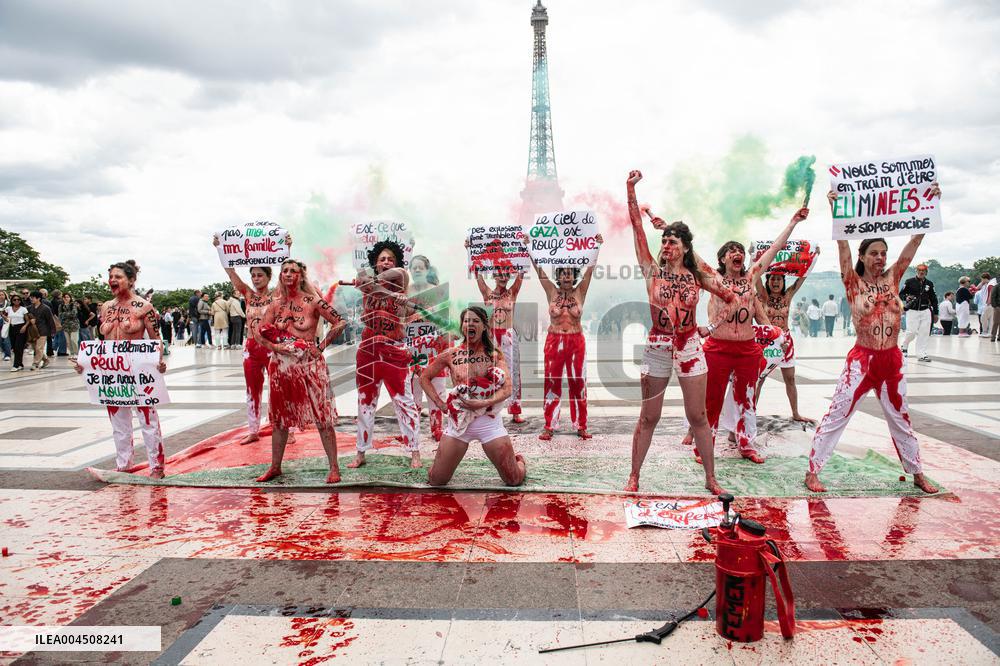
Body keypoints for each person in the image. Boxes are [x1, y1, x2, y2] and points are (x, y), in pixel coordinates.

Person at [806, 188, 941, 494]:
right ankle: (813, 470)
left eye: (883, 253)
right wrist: (836, 210)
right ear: (863, 257)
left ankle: (917, 471)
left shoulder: (894, 278)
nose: (880, 258)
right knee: (838, 414)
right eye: (874, 253)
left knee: (901, 418)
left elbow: (914, 243)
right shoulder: (852, 283)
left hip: (891, 360)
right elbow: (842, 245)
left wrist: (930, 203)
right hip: (862, 360)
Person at [622, 170, 738, 494]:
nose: (665, 245)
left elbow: (731, 299)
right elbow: (636, 227)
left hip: (689, 345)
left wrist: (708, 328)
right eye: (664, 240)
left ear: (685, 247)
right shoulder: (652, 270)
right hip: (658, 344)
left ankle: (711, 479)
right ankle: (634, 476)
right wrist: (630, 188)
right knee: (649, 416)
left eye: (672, 241)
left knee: (698, 415)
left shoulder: (697, 276)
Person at [700, 206, 809, 463]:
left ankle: (746, 444)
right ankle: (703, 448)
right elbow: (692, 256)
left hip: (747, 349)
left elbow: (773, 250)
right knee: (712, 401)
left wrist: (793, 222)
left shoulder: (750, 278)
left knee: (747, 400)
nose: (737, 253)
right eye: (731, 251)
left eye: (739, 250)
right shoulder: (714, 279)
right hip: (717, 347)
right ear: (723, 259)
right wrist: (668, 230)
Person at [72, 260, 168, 478]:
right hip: (113, 375)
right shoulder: (106, 307)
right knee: (118, 422)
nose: (113, 280)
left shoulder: (144, 307)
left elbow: (156, 339)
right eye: (111, 276)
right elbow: (101, 343)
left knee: (148, 420)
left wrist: (158, 362)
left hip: (138, 373)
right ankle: (124, 464)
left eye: (118, 277)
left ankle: (156, 466)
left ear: (131, 280)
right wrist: (85, 364)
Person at [254, 259, 346, 483]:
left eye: (292, 271)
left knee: (322, 415)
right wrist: (275, 347)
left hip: (309, 365)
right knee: (279, 419)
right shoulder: (276, 305)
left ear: (301, 275)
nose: (287, 274)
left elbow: (340, 322)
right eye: (284, 270)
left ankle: (334, 467)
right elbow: (259, 332)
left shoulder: (313, 301)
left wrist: (320, 347)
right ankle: (275, 466)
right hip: (282, 368)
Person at [424, 306, 526, 487]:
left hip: (489, 423)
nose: (470, 324)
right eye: (466, 321)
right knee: (436, 481)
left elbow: (508, 389)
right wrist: (440, 404)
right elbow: (425, 377)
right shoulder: (451, 354)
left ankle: (520, 461)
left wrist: (483, 402)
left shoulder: (493, 354)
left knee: (514, 480)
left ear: (484, 326)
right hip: (459, 423)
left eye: (475, 321)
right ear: (462, 326)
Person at [520, 230, 604, 440]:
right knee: (552, 381)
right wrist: (529, 247)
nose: (566, 276)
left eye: (569, 272)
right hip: (554, 341)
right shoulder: (551, 291)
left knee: (578, 382)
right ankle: (550, 424)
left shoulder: (580, 291)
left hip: (576, 342)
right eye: (562, 272)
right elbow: (539, 270)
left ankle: (581, 424)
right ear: (558, 275)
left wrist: (596, 247)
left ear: (573, 274)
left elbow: (590, 271)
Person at [348, 240, 424, 470]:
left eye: (390, 258)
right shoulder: (366, 283)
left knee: (404, 402)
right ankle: (361, 452)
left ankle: (415, 452)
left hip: (394, 349)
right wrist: (365, 280)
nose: (386, 262)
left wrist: (402, 300)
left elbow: (400, 276)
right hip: (368, 350)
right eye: (381, 259)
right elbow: (361, 278)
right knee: (365, 402)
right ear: (375, 263)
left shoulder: (401, 279)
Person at [213, 233, 294, 444]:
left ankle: (287, 429)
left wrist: (287, 248)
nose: (256, 278)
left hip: (272, 347)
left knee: (278, 388)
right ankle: (253, 430)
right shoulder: (248, 294)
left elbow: (287, 273)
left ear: (268, 277)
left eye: (260, 275)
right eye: (253, 275)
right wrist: (220, 249)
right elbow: (232, 274)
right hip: (251, 346)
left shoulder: (276, 294)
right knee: (252, 390)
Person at [468, 240, 526, 424]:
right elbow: (476, 271)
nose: (503, 276)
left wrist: (524, 247)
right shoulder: (486, 293)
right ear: (494, 275)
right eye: (500, 273)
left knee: (513, 371)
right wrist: (470, 249)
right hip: (491, 336)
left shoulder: (513, 293)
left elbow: (522, 271)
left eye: (506, 274)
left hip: (509, 336)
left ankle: (515, 410)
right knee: (490, 371)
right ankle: (490, 406)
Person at [754, 262, 817, 425]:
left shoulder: (787, 296)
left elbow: (801, 279)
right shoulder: (762, 296)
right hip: (767, 342)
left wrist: (813, 257)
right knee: (759, 379)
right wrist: (753, 256)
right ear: (767, 281)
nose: (775, 282)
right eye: (772, 279)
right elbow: (755, 276)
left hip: (786, 341)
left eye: (779, 279)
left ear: (783, 282)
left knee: (790, 379)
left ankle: (795, 413)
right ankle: (750, 412)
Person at [407, 254, 450, 441]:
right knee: (412, 390)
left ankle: (437, 428)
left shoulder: (438, 292)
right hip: (411, 349)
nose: (416, 270)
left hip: (434, 348)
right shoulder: (404, 292)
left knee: (437, 389)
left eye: (420, 267)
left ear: (427, 270)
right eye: (413, 267)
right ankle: (411, 429)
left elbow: (445, 321)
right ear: (409, 270)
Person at [899, 263, 938, 362]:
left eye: (923, 271)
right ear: (916, 271)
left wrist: (936, 313)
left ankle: (921, 354)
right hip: (913, 310)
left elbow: (933, 298)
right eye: (919, 271)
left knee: (924, 333)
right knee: (911, 332)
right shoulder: (909, 282)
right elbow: (901, 294)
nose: (921, 273)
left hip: (925, 311)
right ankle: (904, 345)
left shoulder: (929, 284)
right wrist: (906, 297)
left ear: (926, 272)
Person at [26, 291, 56, 370]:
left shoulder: (46, 308)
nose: (31, 299)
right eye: (31, 297)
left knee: (39, 348)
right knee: (35, 348)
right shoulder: (29, 308)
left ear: (39, 298)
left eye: (33, 297)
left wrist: (53, 331)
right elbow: (26, 317)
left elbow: (50, 320)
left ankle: (35, 363)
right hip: (33, 331)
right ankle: (45, 360)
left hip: (43, 330)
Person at [3, 295, 28, 371]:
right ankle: (20, 364)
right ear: (12, 301)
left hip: (21, 328)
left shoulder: (23, 309)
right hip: (11, 328)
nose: (16, 301)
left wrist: (25, 327)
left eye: (18, 300)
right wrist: (5, 318)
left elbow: (27, 320)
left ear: (20, 301)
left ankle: (16, 365)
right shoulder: (8, 308)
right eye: (14, 300)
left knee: (18, 346)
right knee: (14, 347)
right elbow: (3, 314)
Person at [976, 273, 995, 338]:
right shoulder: (987, 284)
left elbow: (990, 293)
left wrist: (988, 302)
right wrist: (982, 282)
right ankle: (988, 332)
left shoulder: (990, 285)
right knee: (990, 318)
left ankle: (986, 331)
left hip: (989, 304)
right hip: (989, 304)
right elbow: (977, 288)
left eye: (982, 279)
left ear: (984, 278)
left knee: (984, 318)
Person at [0, 291, 11, 361]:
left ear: (5, 296)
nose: (0, 296)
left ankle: (7, 354)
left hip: (6, 323)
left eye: (2, 295)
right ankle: (4, 351)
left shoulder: (8, 304)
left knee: (5, 339)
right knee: (0, 340)